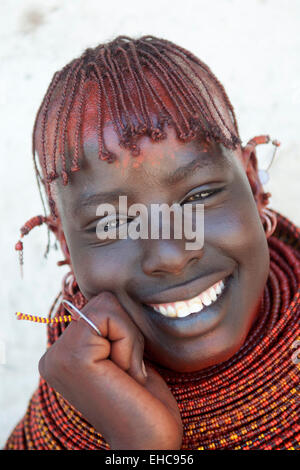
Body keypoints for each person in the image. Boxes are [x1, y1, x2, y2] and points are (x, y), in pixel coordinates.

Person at [5, 35, 299, 450]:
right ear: (67, 248)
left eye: (198, 196)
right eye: (114, 223)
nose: (171, 255)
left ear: (252, 186)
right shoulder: (57, 428)